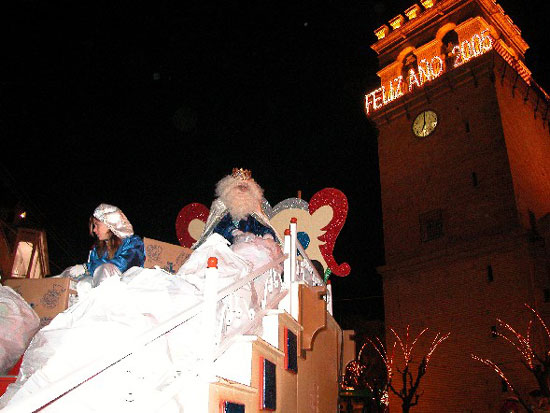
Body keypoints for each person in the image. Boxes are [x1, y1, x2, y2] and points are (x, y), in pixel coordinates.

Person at [193, 168, 281, 249]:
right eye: (240, 187)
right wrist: (235, 233)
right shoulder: (221, 205)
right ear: (229, 188)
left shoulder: (253, 207)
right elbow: (218, 228)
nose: (242, 190)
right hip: (225, 248)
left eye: (245, 188)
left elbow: (262, 225)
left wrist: (268, 236)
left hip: (251, 248)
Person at [64, 203, 145, 287]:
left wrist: (87, 268)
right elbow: (92, 273)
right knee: (70, 273)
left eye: (97, 225)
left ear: (109, 224)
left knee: (104, 269)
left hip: (128, 287)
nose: (94, 230)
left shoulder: (133, 242)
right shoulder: (98, 248)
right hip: (98, 286)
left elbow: (124, 264)